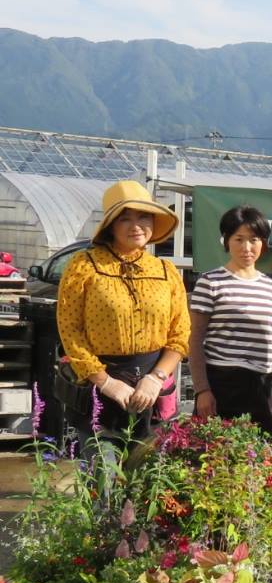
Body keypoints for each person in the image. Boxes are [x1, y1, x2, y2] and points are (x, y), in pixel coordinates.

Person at [55, 179, 189, 454]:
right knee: (103, 478)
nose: (136, 225)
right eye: (124, 218)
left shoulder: (166, 271)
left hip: (154, 388)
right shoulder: (84, 266)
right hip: (101, 386)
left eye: (143, 216)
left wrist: (156, 378)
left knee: (151, 484)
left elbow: (180, 333)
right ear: (110, 226)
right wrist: (106, 382)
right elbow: (70, 330)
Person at [187, 205, 272, 437]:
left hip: (267, 384)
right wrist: (202, 390)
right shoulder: (210, 282)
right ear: (226, 240)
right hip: (224, 384)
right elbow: (195, 339)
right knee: (220, 462)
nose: (247, 247)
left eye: (254, 239)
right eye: (239, 239)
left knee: (270, 461)